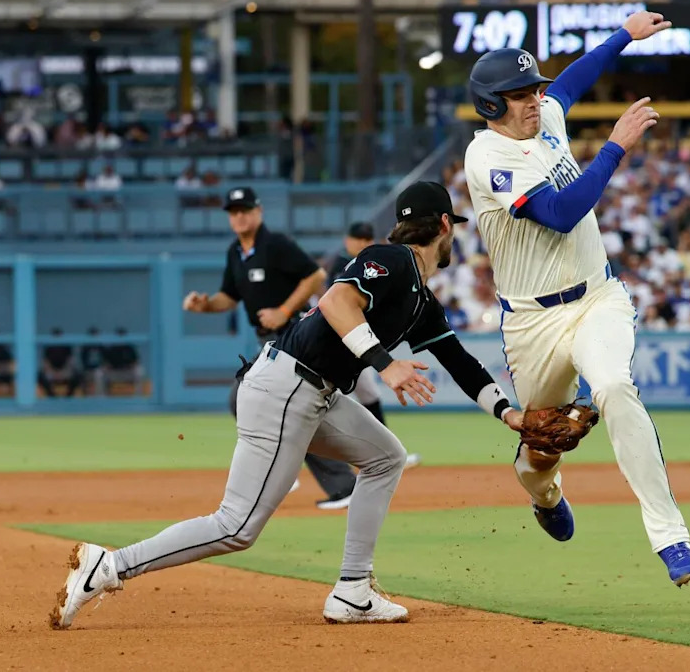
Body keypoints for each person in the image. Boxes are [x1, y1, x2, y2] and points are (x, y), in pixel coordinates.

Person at [50, 180, 523, 629]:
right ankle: (109, 566)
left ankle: (353, 591)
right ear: (444, 224)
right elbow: (337, 302)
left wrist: (511, 414)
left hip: (311, 391)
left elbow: (460, 362)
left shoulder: (419, 298)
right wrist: (384, 364)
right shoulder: (391, 259)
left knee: (386, 457)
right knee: (236, 526)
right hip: (288, 387)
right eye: (454, 227)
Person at [463, 10, 690, 587]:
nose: (534, 100)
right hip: (533, 324)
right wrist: (615, 148)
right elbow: (561, 212)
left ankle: (672, 540)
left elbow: (572, 79)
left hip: (598, 298)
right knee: (539, 450)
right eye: (518, 94)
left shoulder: (544, 114)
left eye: (533, 89)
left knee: (615, 388)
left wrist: (624, 35)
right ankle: (545, 497)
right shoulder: (488, 158)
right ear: (490, 106)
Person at [181, 186, 358, 508]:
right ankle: (332, 482)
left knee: (247, 397)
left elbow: (315, 275)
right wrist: (204, 306)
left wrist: (284, 310)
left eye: (245, 210)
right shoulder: (235, 252)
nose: (239, 216)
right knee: (287, 410)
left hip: (295, 335)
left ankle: (282, 470)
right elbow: (228, 297)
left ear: (258, 212)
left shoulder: (275, 244)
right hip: (271, 340)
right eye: (234, 212)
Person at [326, 221, 424, 492]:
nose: (363, 242)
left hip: (359, 344)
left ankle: (381, 451)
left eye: (367, 237)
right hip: (340, 342)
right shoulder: (343, 264)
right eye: (359, 238)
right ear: (348, 241)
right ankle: (361, 458)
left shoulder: (376, 261)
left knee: (366, 395)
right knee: (333, 402)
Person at [37, 328, 82, 398]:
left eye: (58, 335)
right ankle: (51, 395)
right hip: (52, 372)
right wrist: (53, 372)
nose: (57, 337)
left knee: (78, 376)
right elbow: (46, 362)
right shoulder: (49, 347)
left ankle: (68, 396)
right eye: (55, 336)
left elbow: (70, 361)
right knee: (39, 376)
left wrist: (62, 373)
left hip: (64, 371)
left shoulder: (66, 346)